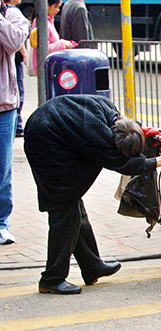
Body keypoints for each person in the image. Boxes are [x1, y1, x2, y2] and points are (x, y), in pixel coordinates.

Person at [24, 95, 161, 294]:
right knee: (63, 207)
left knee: (73, 205)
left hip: (53, 124)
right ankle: (51, 278)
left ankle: (92, 266)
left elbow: (126, 138)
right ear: (112, 139)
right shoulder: (99, 134)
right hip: (45, 140)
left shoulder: (110, 112)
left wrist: (145, 134)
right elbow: (122, 164)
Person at [0, 0, 29, 245]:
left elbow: (14, 44)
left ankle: (1, 223)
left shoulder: (12, 16)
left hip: (3, 107)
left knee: (2, 170)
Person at [30, 0, 76, 74]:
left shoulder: (49, 21)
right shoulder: (41, 23)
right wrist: (62, 44)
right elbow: (42, 49)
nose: (57, 10)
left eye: (59, 7)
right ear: (47, 5)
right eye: (55, 7)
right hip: (45, 68)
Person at [5, 0, 26, 138]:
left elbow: (17, 41)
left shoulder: (10, 13)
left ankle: (18, 125)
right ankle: (18, 125)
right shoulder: (13, 13)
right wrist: (25, 55)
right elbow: (19, 44)